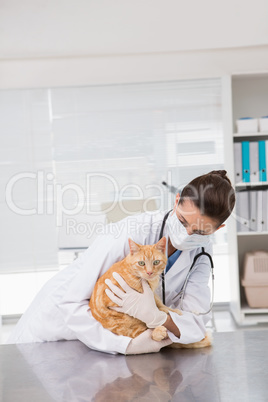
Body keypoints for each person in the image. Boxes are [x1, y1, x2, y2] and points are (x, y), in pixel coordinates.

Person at [7, 170, 235, 355]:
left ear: (218, 229)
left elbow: (195, 324)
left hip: (114, 333)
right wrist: (125, 345)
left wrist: (158, 317)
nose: (187, 234)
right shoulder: (130, 232)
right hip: (57, 332)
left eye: (200, 231)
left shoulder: (202, 252)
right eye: (183, 221)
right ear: (176, 201)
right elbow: (72, 303)